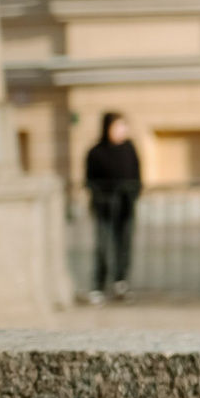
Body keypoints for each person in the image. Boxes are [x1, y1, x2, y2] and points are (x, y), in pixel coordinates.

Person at [81, 112, 142, 305]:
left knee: (124, 246)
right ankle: (99, 285)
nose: (121, 130)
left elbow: (137, 175)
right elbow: (90, 181)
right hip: (104, 208)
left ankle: (120, 283)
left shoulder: (129, 148)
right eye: (117, 126)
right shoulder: (96, 152)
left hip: (125, 206)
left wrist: (132, 194)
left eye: (123, 126)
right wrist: (104, 197)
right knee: (103, 247)